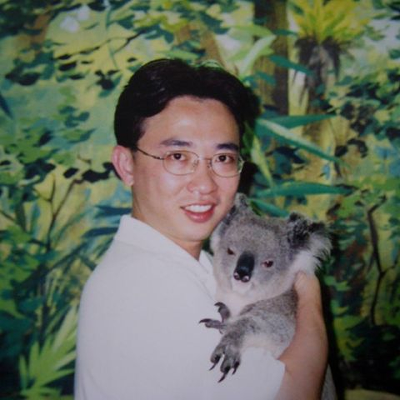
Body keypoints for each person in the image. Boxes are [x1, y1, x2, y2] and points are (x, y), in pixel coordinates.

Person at [74, 58, 328, 400]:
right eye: (178, 156)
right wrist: (308, 293)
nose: (205, 184)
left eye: (222, 158)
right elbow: (299, 393)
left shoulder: (194, 266)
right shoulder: (148, 289)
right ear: (126, 164)